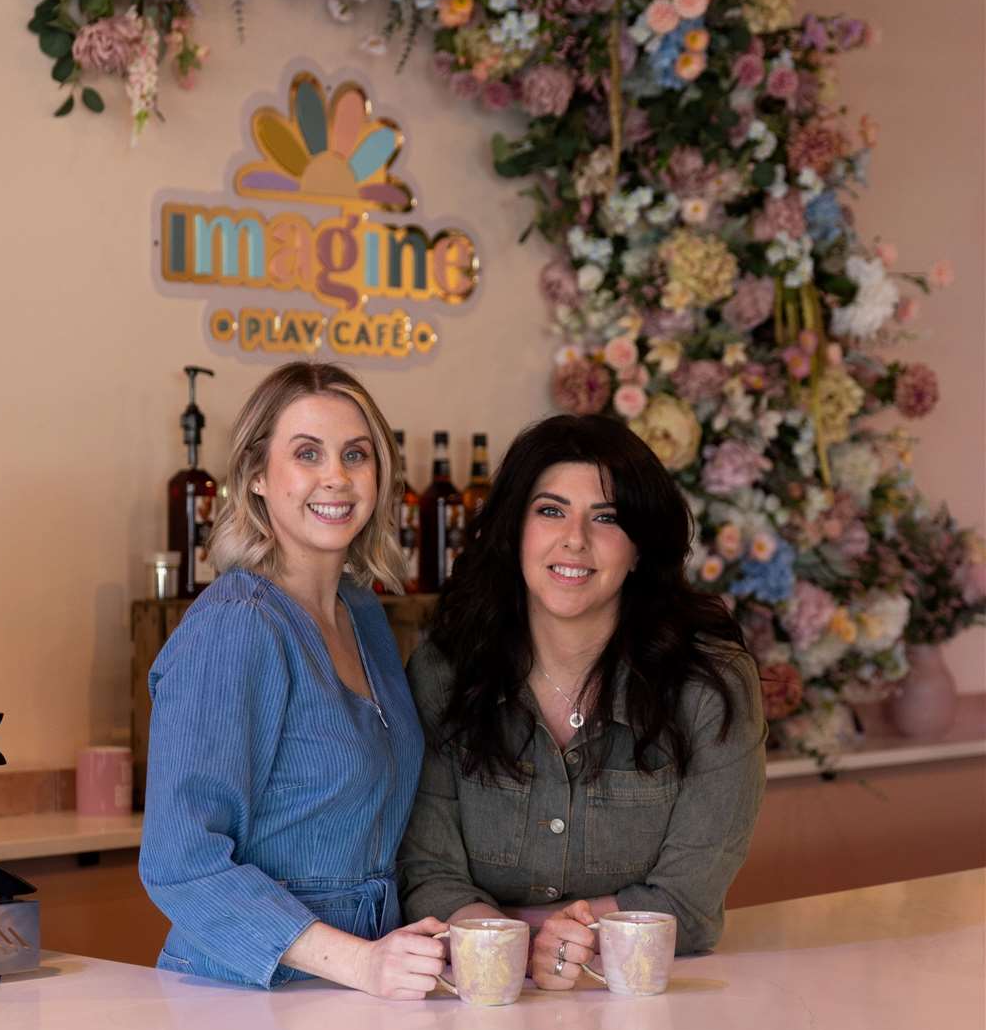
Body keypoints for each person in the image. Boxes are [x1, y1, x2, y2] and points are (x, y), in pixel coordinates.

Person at [397, 413, 766, 990]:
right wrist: (521, 948)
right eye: (550, 511)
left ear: (641, 548)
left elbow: (688, 906)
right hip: (481, 1003)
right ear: (513, 531)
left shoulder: (711, 687)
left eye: (607, 518)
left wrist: (530, 937)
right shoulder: (446, 674)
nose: (575, 539)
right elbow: (427, 874)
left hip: (647, 1007)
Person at [140, 361, 446, 997]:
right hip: (244, 997)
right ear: (257, 475)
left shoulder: (362, 614)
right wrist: (363, 964)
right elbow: (181, 862)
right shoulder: (236, 625)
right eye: (307, 453)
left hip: (360, 993)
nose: (336, 476)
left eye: (356, 454)